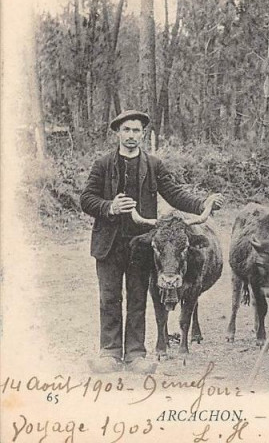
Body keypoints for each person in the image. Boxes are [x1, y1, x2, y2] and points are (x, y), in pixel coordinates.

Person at [80, 110, 223, 374]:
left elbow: (175, 194)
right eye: (126, 130)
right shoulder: (102, 164)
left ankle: (135, 355)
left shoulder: (154, 165)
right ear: (118, 133)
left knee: (138, 299)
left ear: (143, 134)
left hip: (144, 244)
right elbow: (86, 198)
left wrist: (203, 203)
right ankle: (110, 353)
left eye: (136, 130)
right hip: (108, 245)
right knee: (110, 298)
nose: (131, 135)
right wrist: (109, 206)